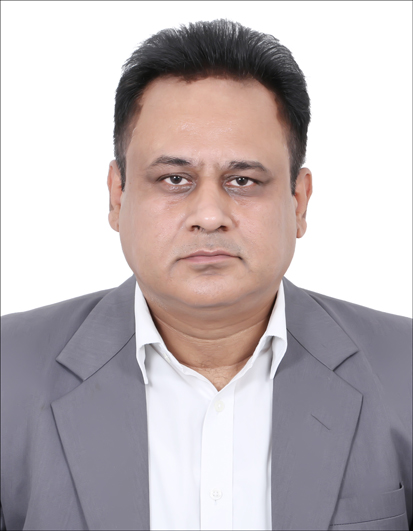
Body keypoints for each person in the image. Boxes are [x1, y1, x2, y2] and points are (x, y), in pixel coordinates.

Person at [1, 18, 411, 531]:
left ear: (299, 202)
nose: (210, 214)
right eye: (175, 179)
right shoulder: (7, 374)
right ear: (117, 195)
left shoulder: (405, 371)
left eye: (243, 179)